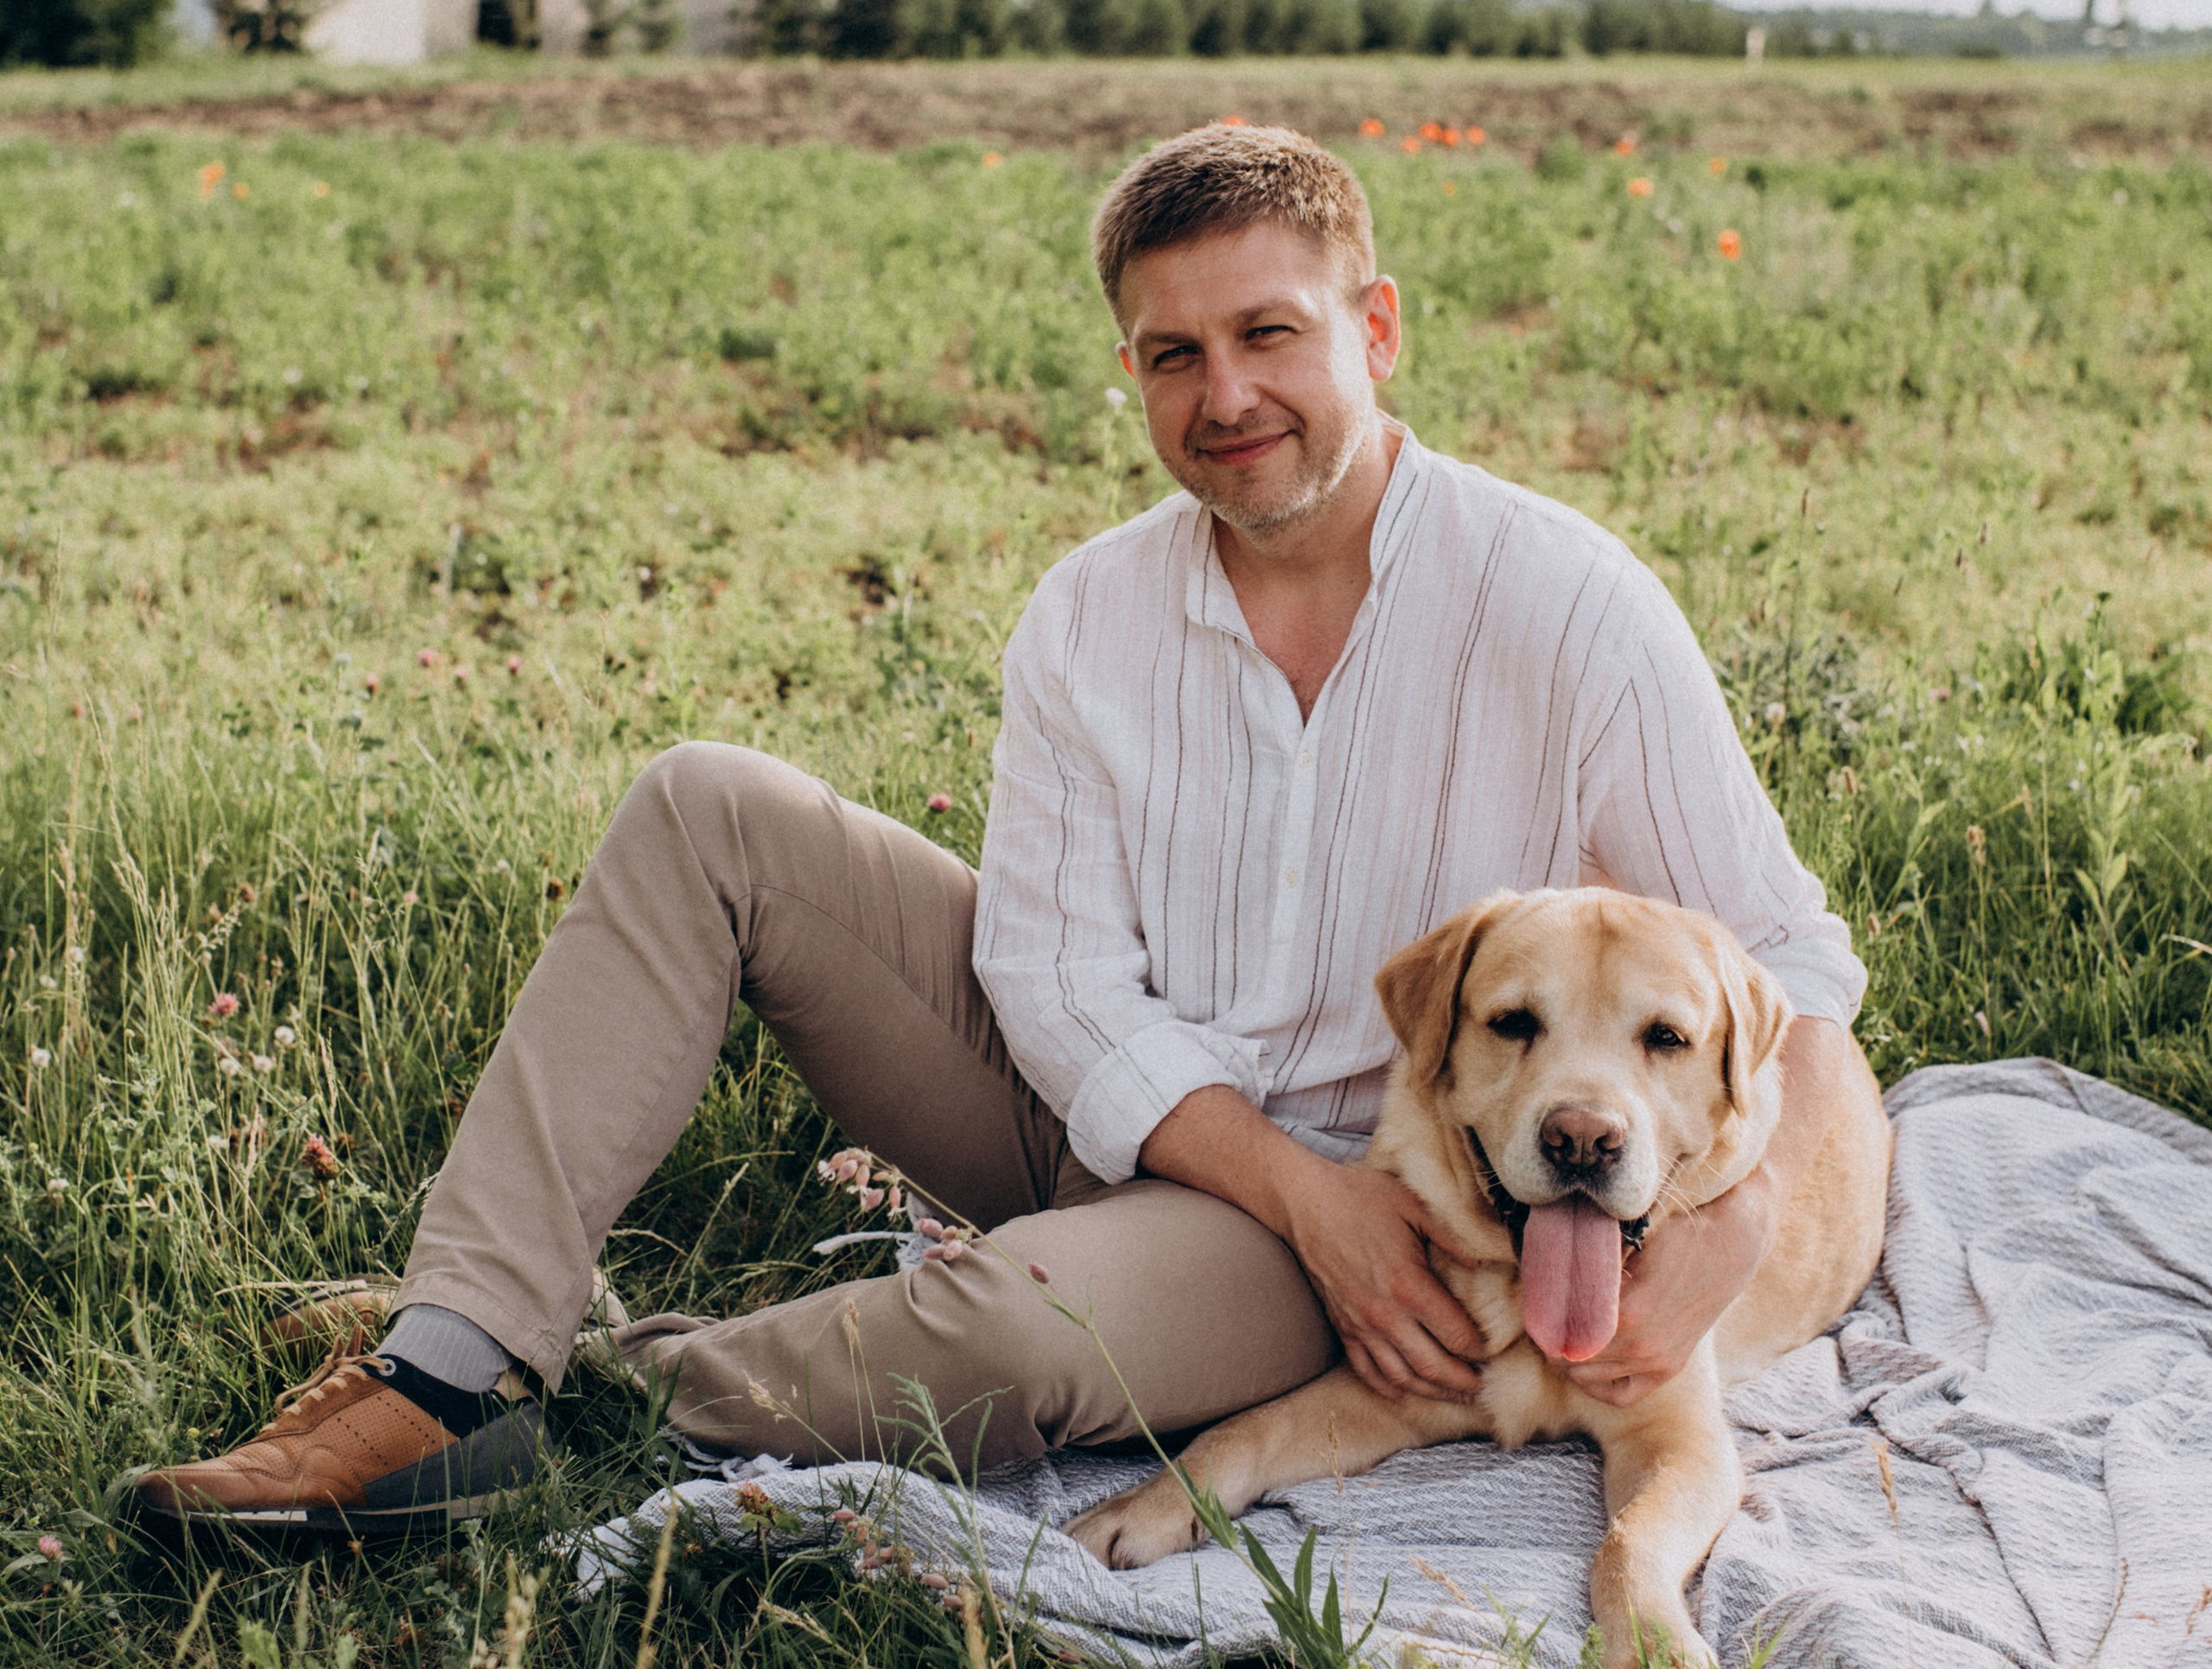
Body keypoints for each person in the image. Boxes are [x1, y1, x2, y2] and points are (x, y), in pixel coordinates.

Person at [125, 124, 1865, 1549]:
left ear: (1375, 330)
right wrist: (1272, 1185)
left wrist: (1713, 1228)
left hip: (1356, 1204)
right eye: (1171, 354)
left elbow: (1788, 967)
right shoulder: (1091, 612)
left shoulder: (1563, 604)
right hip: (1116, 1118)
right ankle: (444, 1356)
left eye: (1269, 335)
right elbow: (1037, 966)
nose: (1224, 394)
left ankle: (569, 1387)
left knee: (1015, 1332)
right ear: (1130, 370)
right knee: (708, 802)